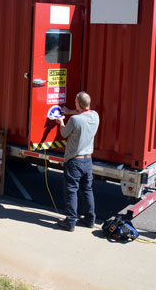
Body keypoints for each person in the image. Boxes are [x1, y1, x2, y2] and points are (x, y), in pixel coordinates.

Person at [54, 91, 100, 232]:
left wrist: (61, 122)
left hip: (74, 161)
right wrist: (70, 111)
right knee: (87, 189)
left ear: (79, 104)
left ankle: (70, 222)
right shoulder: (95, 115)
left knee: (71, 191)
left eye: (75, 102)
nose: (74, 104)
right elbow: (83, 111)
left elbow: (64, 133)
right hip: (88, 160)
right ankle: (90, 219)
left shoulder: (74, 120)